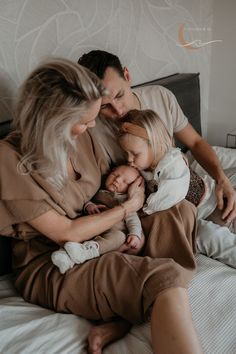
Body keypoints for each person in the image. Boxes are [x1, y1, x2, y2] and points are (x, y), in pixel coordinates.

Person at [0, 58, 202, 354]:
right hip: (58, 259)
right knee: (164, 278)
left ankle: (128, 311)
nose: (93, 125)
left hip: (102, 227)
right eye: (84, 121)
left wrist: (156, 173)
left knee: (176, 210)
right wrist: (125, 209)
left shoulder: (84, 138)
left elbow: (123, 170)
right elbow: (66, 232)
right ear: (54, 121)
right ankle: (155, 289)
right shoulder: (9, 160)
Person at [78, 50, 236, 225]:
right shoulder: (92, 131)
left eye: (119, 95)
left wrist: (222, 179)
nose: (118, 110)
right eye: (104, 106)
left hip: (190, 184)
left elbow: (196, 143)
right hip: (163, 211)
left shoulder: (160, 96)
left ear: (127, 76)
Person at [119, 109, 236, 233]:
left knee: (215, 234)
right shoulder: (144, 166)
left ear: (155, 144)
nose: (129, 159)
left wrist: (142, 210)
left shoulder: (172, 164)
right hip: (199, 214)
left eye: (135, 154)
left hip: (210, 205)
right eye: (126, 153)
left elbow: (165, 198)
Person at [51, 165, 143, 274]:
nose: (117, 180)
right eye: (115, 174)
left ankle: (85, 253)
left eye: (125, 182)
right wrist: (89, 205)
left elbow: (133, 220)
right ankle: (66, 257)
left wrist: (135, 234)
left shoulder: (125, 201)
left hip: (112, 232)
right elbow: (84, 200)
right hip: (91, 227)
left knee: (119, 237)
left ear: (132, 187)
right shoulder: (97, 190)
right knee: (79, 233)